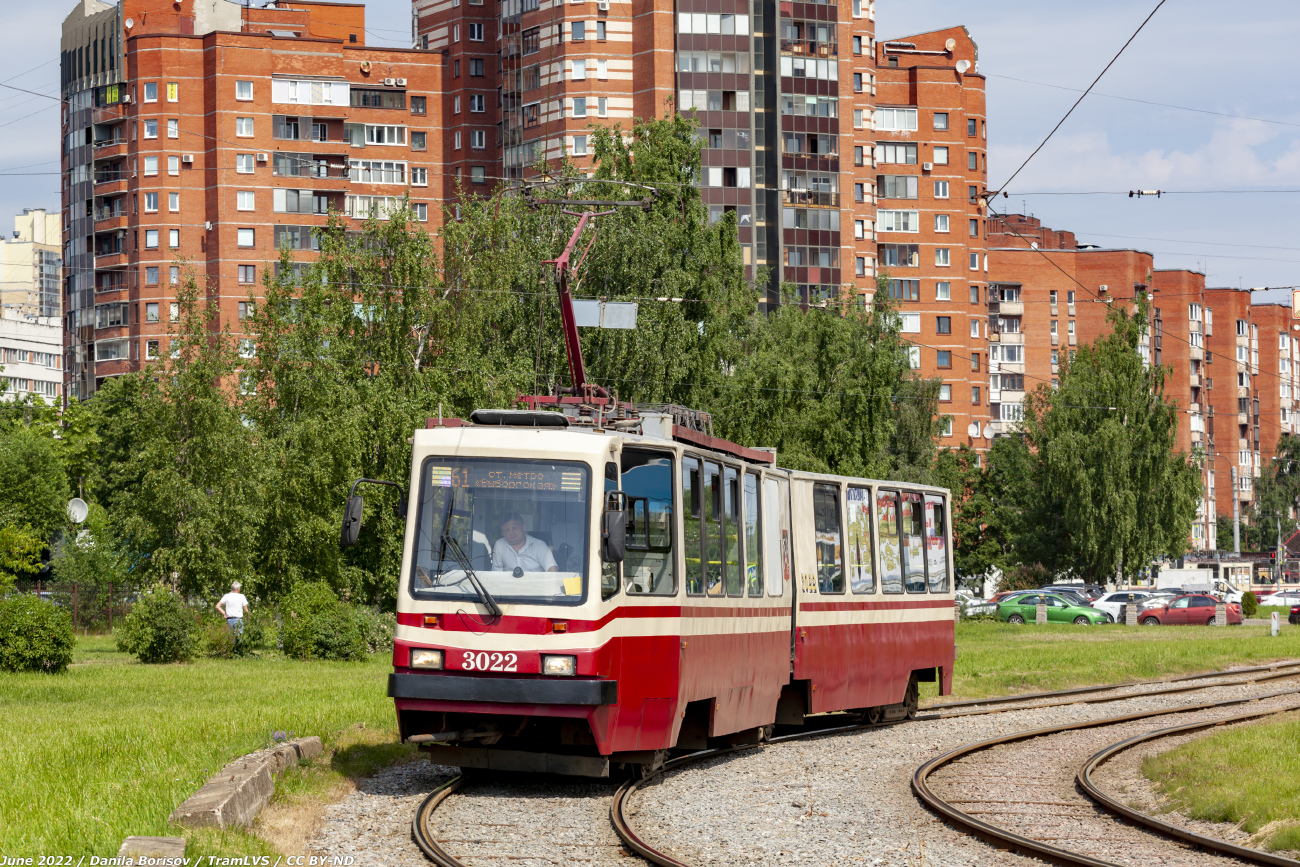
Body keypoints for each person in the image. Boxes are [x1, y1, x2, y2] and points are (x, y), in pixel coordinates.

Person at [491, 513, 557, 573]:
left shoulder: (539, 545)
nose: (511, 533)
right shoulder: (500, 545)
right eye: (507, 530)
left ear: (523, 527)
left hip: (535, 585)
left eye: (514, 528)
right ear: (503, 533)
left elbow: (552, 570)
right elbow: (496, 573)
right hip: (509, 585)